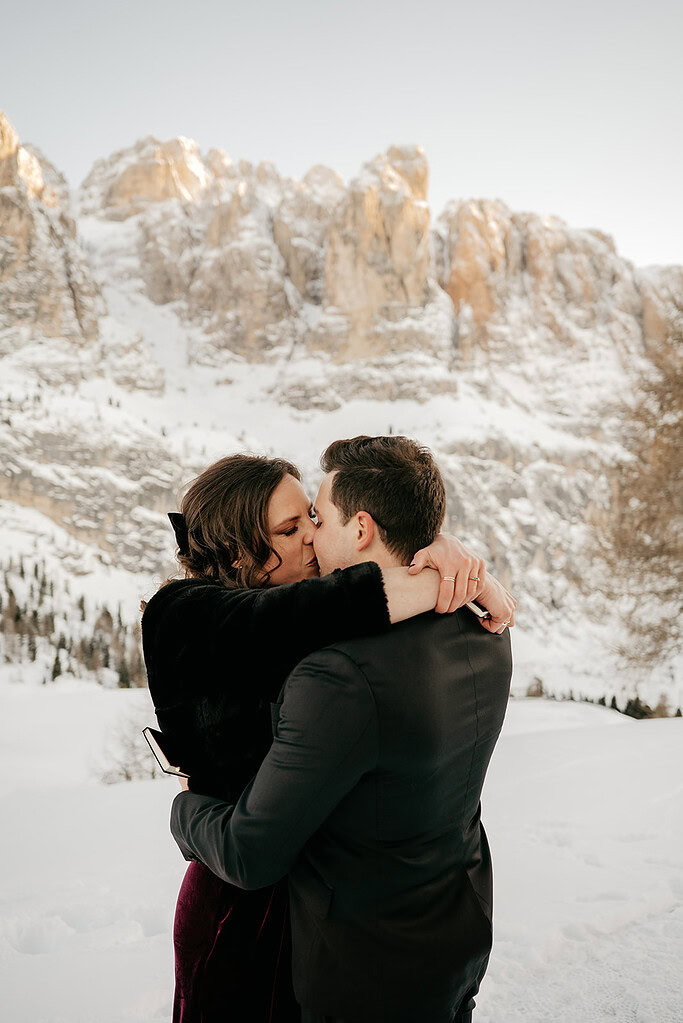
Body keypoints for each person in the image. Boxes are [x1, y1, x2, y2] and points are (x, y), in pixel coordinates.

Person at [142, 448, 516, 1023]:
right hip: (234, 902)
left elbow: (329, 605)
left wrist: (444, 557)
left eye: (313, 519)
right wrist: (446, 579)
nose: (313, 539)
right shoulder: (184, 616)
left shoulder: (317, 621)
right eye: (292, 528)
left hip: (309, 906)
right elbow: (292, 618)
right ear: (240, 548)